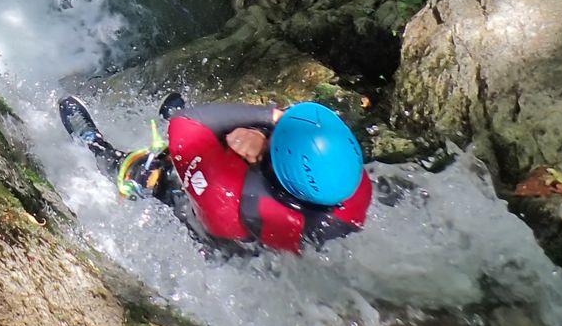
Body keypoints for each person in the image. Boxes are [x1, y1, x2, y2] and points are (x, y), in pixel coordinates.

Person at [59, 93, 372, 254]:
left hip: (212, 222)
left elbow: (186, 124)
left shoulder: (227, 192)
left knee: (153, 174)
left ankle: (95, 147)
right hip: (268, 235)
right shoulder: (351, 188)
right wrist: (265, 141)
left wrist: (269, 118)